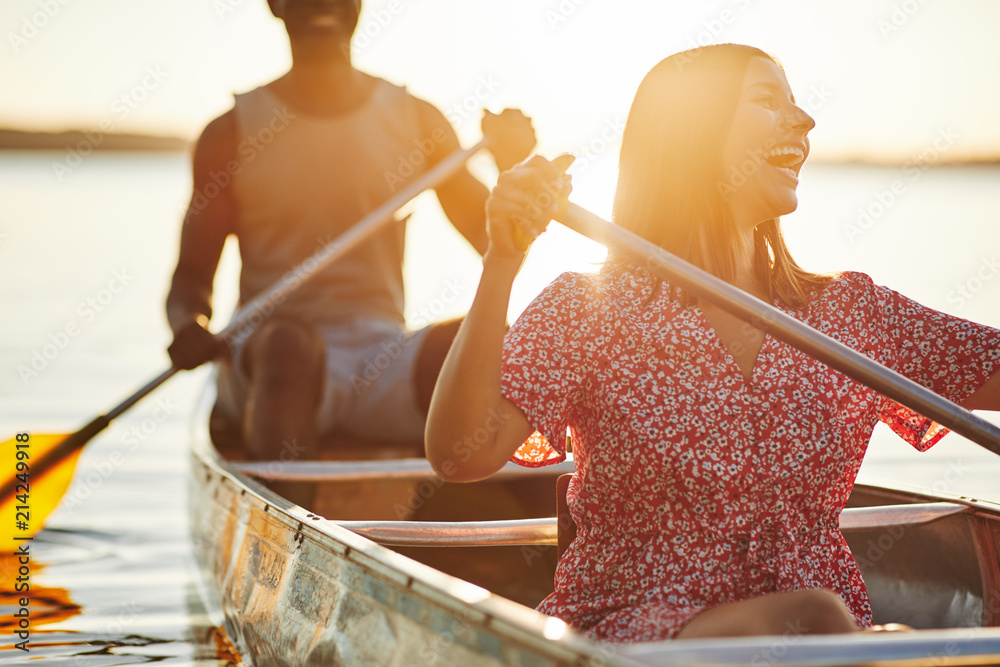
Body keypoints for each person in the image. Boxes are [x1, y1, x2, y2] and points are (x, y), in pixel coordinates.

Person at [425, 43, 1000, 642]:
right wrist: (501, 261)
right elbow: (461, 454)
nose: (803, 121)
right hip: (631, 642)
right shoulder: (588, 307)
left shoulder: (852, 313)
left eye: (797, 105)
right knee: (816, 620)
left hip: (825, 649)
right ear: (691, 135)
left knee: (865, 636)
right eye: (766, 101)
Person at [165, 0, 535, 506]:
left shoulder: (416, 118)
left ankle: (526, 542)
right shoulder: (230, 132)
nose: (324, 5)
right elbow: (190, 279)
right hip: (268, 363)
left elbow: (495, 237)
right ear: (276, 5)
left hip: (381, 357)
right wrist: (188, 324)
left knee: (488, 344)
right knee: (289, 347)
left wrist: (513, 168)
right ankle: (287, 550)